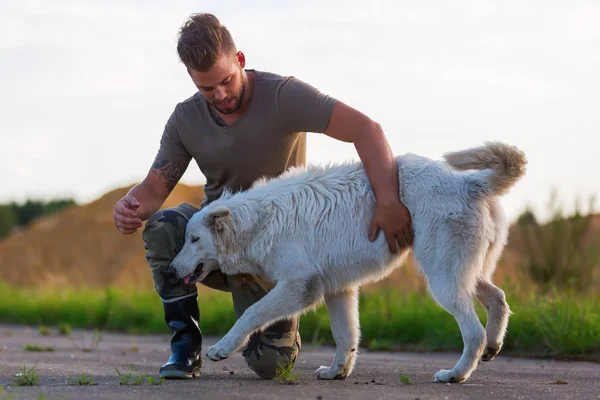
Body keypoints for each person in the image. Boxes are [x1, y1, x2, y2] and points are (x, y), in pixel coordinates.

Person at [112, 12, 413, 380]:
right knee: (161, 227)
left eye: (226, 81)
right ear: (192, 79)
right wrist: (130, 207)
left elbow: (367, 130)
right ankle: (185, 347)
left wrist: (387, 201)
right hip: (215, 243)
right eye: (208, 89)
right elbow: (154, 189)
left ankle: (275, 329)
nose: (220, 95)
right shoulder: (185, 119)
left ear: (240, 60)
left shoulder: (284, 96)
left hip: (280, 249)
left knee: (271, 366)